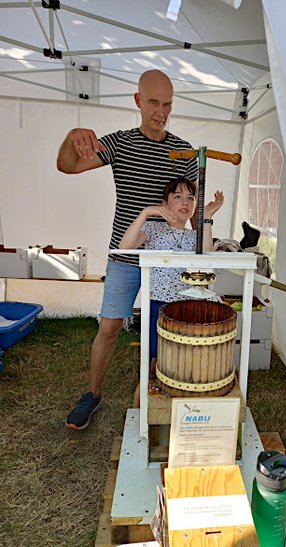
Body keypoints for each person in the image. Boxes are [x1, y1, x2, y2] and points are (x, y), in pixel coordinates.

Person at [57, 69, 198, 430]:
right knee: (109, 327)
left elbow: (192, 210)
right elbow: (68, 166)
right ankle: (92, 395)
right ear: (138, 101)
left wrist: (201, 243)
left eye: (167, 104)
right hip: (125, 255)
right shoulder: (119, 143)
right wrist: (72, 138)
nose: (161, 112)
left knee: (169, 331)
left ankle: (162, 395)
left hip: (166, 262)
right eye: (154, 102)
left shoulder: (185, 152)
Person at [119, 176, 224, 407]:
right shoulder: (153, 229)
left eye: (190, 198)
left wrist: (207, 217)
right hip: (157, 307)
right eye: (178, 197)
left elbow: (207, 259)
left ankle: (176, 412)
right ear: (165, 203)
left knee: (182, 363)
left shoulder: (195, 236)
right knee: (152, 362)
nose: (185, 202)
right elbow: (125, 247)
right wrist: (146, 212)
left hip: (186, 309)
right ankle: (140, 414)